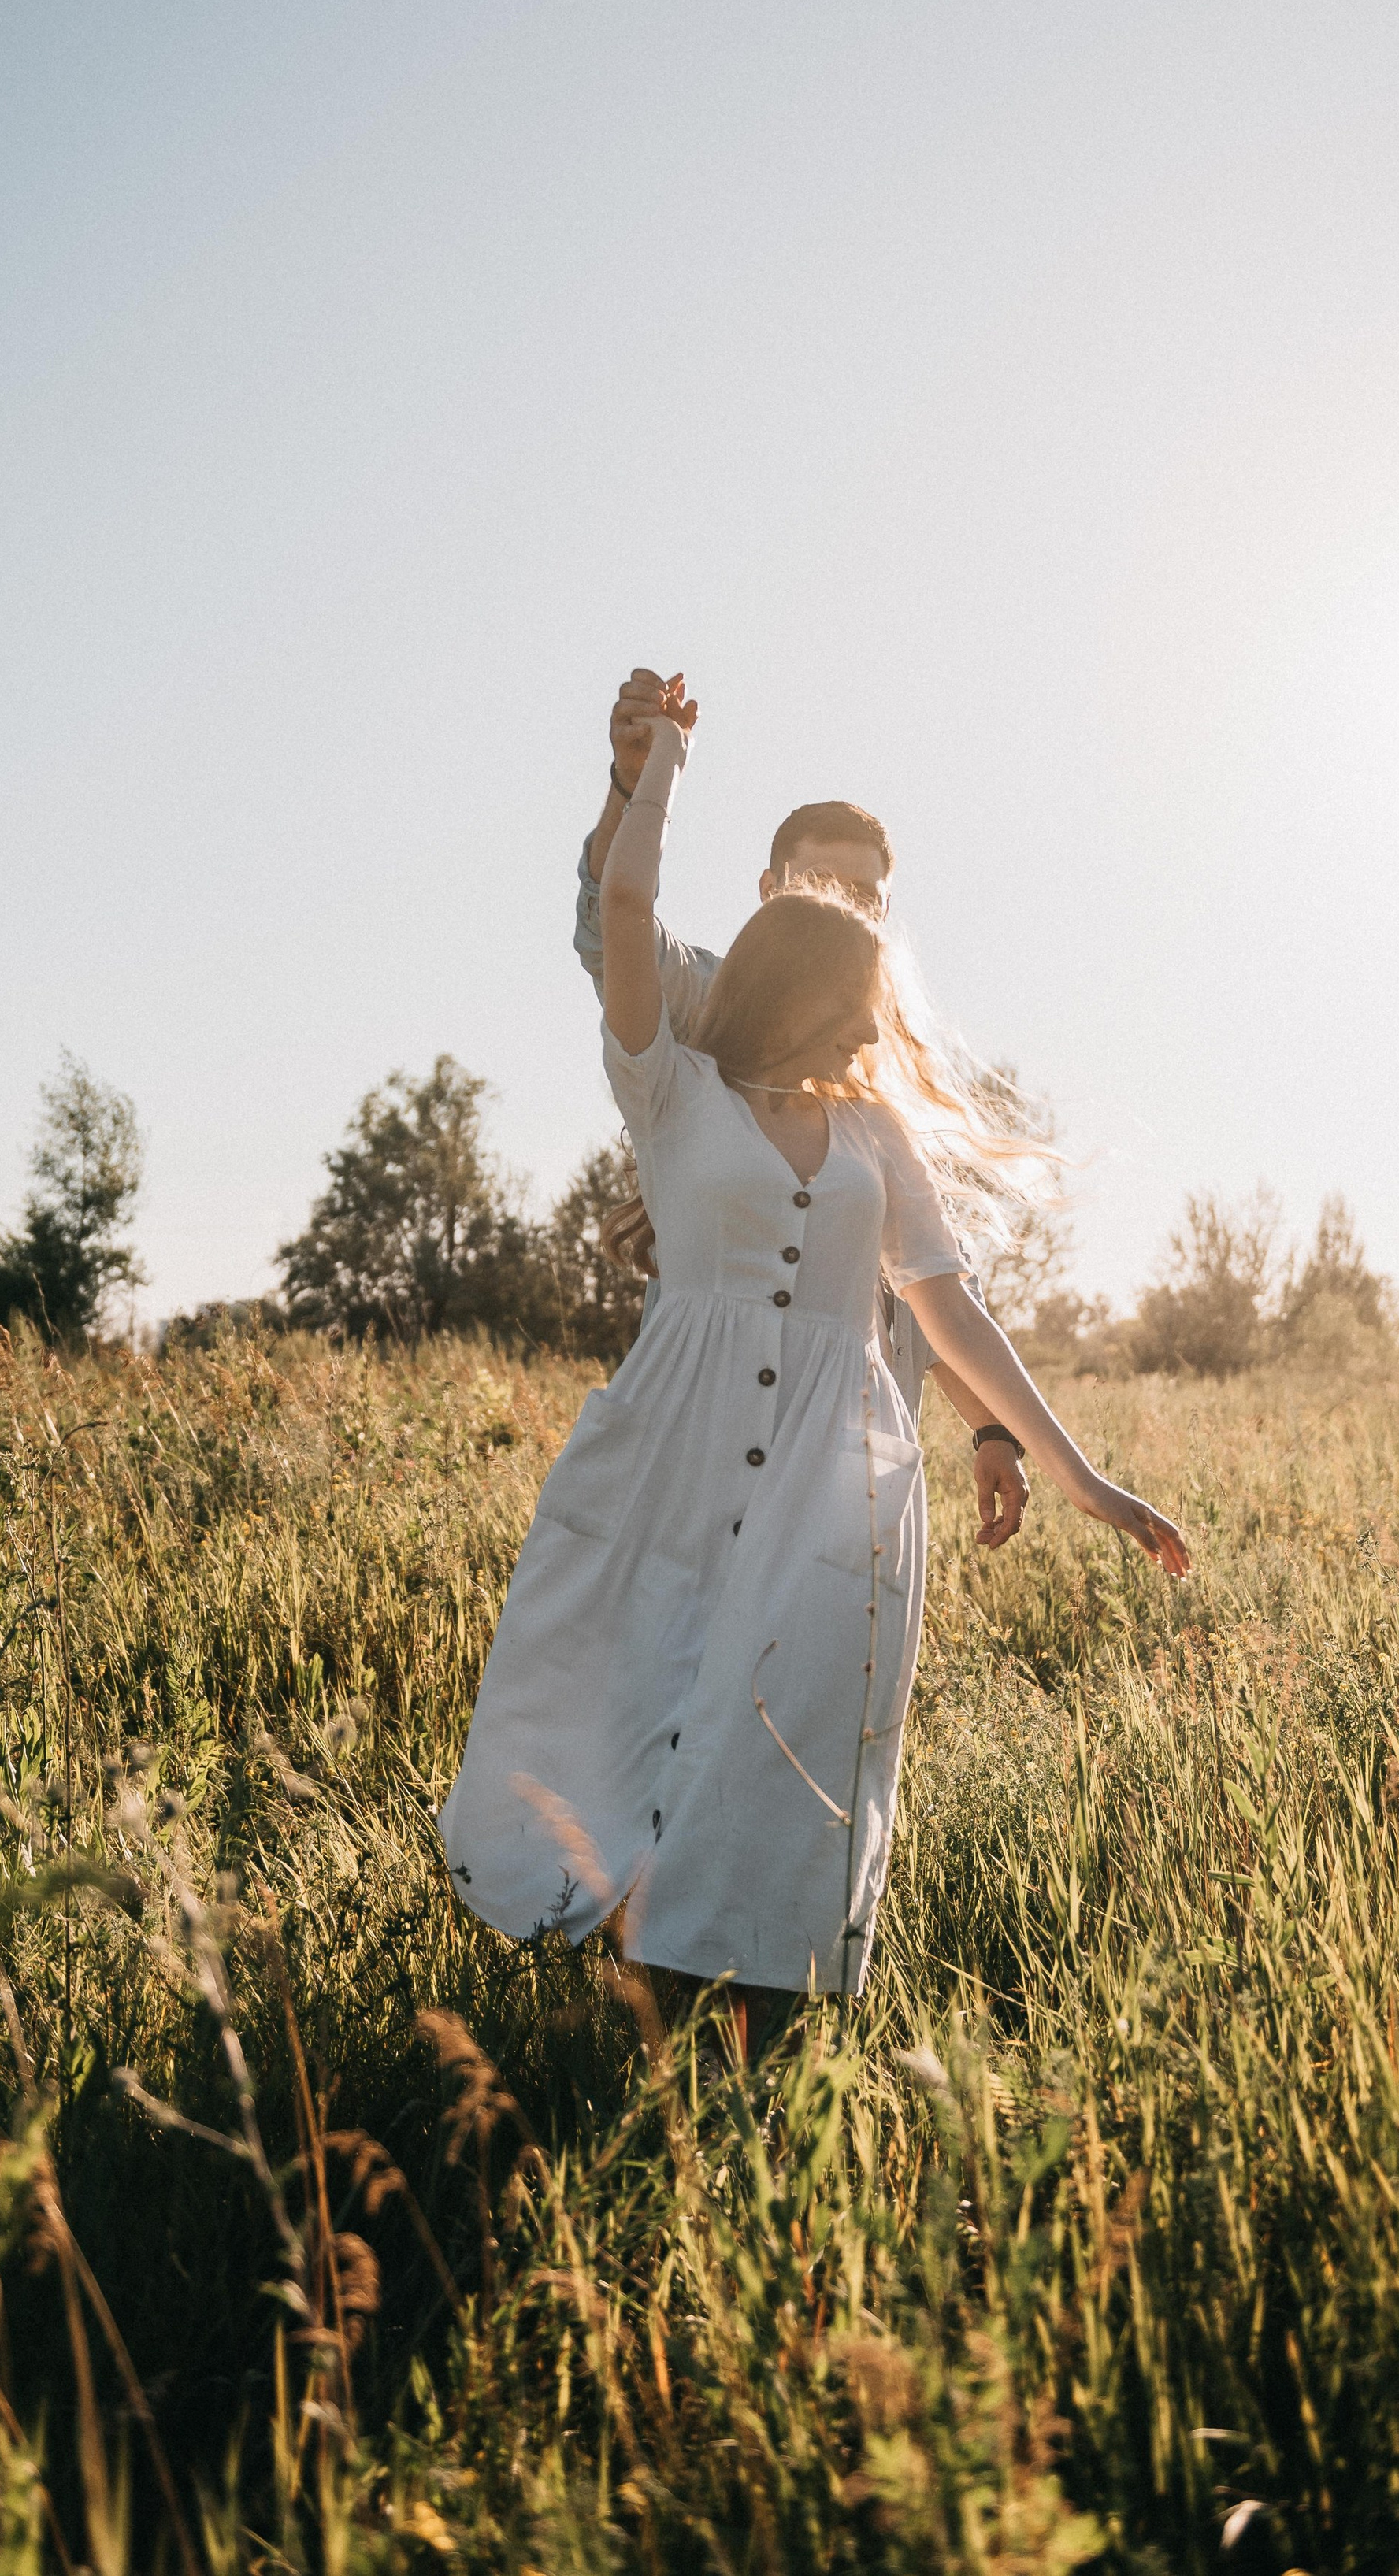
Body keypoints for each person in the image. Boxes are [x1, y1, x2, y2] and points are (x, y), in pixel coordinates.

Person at [440, 695, 1189, 2053]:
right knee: (627, 1684)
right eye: (855, 969)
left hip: (834, 1473)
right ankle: (616, 1967)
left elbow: (953, 1313)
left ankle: (745, 2013)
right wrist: (653, 768)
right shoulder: (673, 1075)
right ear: (800, 954)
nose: (877, 1003)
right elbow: (616, 908)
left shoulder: (875, 1135)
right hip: (677, 1435)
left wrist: (1076, 1471)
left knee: (778, 1732)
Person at [574, 665, 1032, 1555]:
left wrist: (990, 1427)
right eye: (816, 887)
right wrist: (633, 783)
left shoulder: (886, 1071)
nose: (839, 910)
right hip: (704, 1433)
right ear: (766, 890)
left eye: (862, 897)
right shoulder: (706, 1001)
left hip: (849, 1454)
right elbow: (611, 923)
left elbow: (921, 1287)